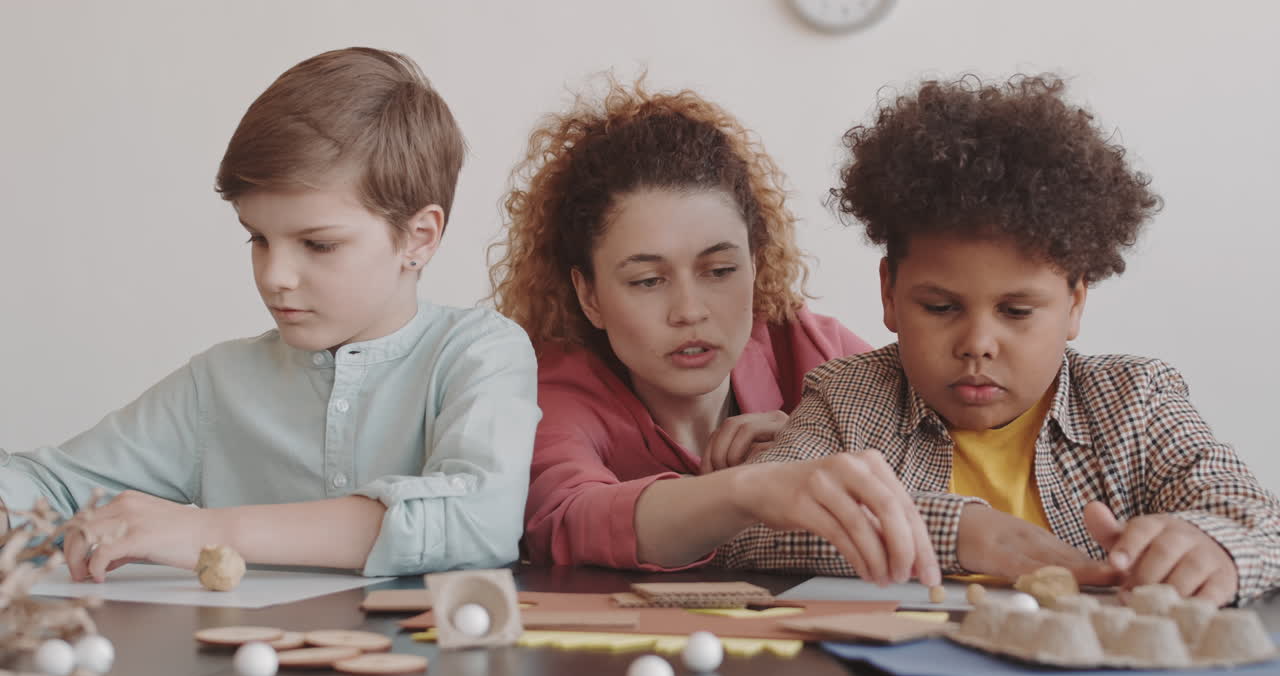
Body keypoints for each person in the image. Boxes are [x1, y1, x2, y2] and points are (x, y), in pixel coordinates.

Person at [719, 74, 1280, 606]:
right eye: (940, 307)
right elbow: (748, 528)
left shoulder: (1135, 402)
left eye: (1016, 311)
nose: (978, 344)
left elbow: (1258, 520)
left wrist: (1216, 548)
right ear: (889, 294)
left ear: (1075, 304)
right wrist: (957, 532)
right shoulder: (849, 402)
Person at [0, 47, 540, 580]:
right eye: (258, 238)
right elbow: (48, 487)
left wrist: (208, 531)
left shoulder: (479, 352)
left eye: (318, 244)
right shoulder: (218, 383)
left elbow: (477, 520)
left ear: (419, 238)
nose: (273, 275)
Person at [489, 79, 939, 586]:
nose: (689, 311)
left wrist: (810, 440)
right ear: (589, 295)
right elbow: (566, 519)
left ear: (756, 263)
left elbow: (945, 453)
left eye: (720, 271)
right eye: (647, 281)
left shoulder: (817, 352)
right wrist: (754, 490)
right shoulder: (551, 389)